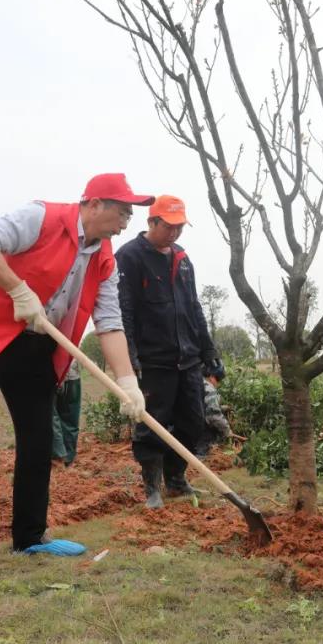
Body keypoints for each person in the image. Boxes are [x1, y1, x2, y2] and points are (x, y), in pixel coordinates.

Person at [0, 173, 152, 585]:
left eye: (131, 215)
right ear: (95, 204)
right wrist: (17, 289)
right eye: (123, 211)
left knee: (38, 442)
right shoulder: (41, 218)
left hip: (37, 343)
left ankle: (29, 536)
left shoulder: (104, 258)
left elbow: (110, 322)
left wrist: (127, 381)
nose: (126, 222)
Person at [115, 195, 221, 509]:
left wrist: (209, 351)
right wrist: (129, 356)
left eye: (180, 227)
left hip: (186, 359)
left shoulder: (183, 259)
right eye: (169, 227)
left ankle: (176, 479)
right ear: (152, 222)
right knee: (152, 424)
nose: (175, 233)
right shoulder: (130, 257)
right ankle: (153, 489)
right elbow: (124, 311)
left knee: (193, 422)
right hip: (153, 361)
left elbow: (194, 308)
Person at [197, 360, 233, 458]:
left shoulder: (195, 382)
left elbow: (201, 406)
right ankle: (201, 456)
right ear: (212, 377)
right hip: (197, 433)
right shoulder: (208, 388)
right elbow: (213, 415)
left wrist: (222, 408)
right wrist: (227, 430)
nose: (218, 384)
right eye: (218, 380)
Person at [50, 359, 82, 467]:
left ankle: (58, 457)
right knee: (70, 418)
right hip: (72, 374)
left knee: (51, 416)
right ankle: (68, 458)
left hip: (51, 374)